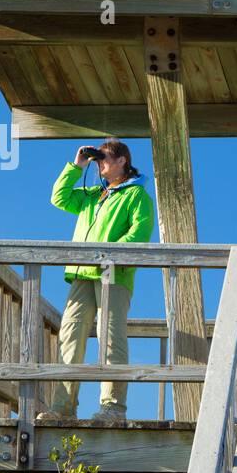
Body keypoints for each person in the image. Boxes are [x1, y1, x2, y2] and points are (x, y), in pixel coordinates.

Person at [37, 140, 154, 423]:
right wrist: (77, 166)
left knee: (110, 337)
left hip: (112, 273)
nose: (100, 163)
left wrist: (108, 256)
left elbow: (140, 233)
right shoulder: (93, 195)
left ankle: (113, 408)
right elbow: (59, 198)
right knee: (70, 337)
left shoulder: (136, 196)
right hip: (81, 273)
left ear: (123, 161)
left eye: (105, 158)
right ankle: (63, 408)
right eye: (97, 159)